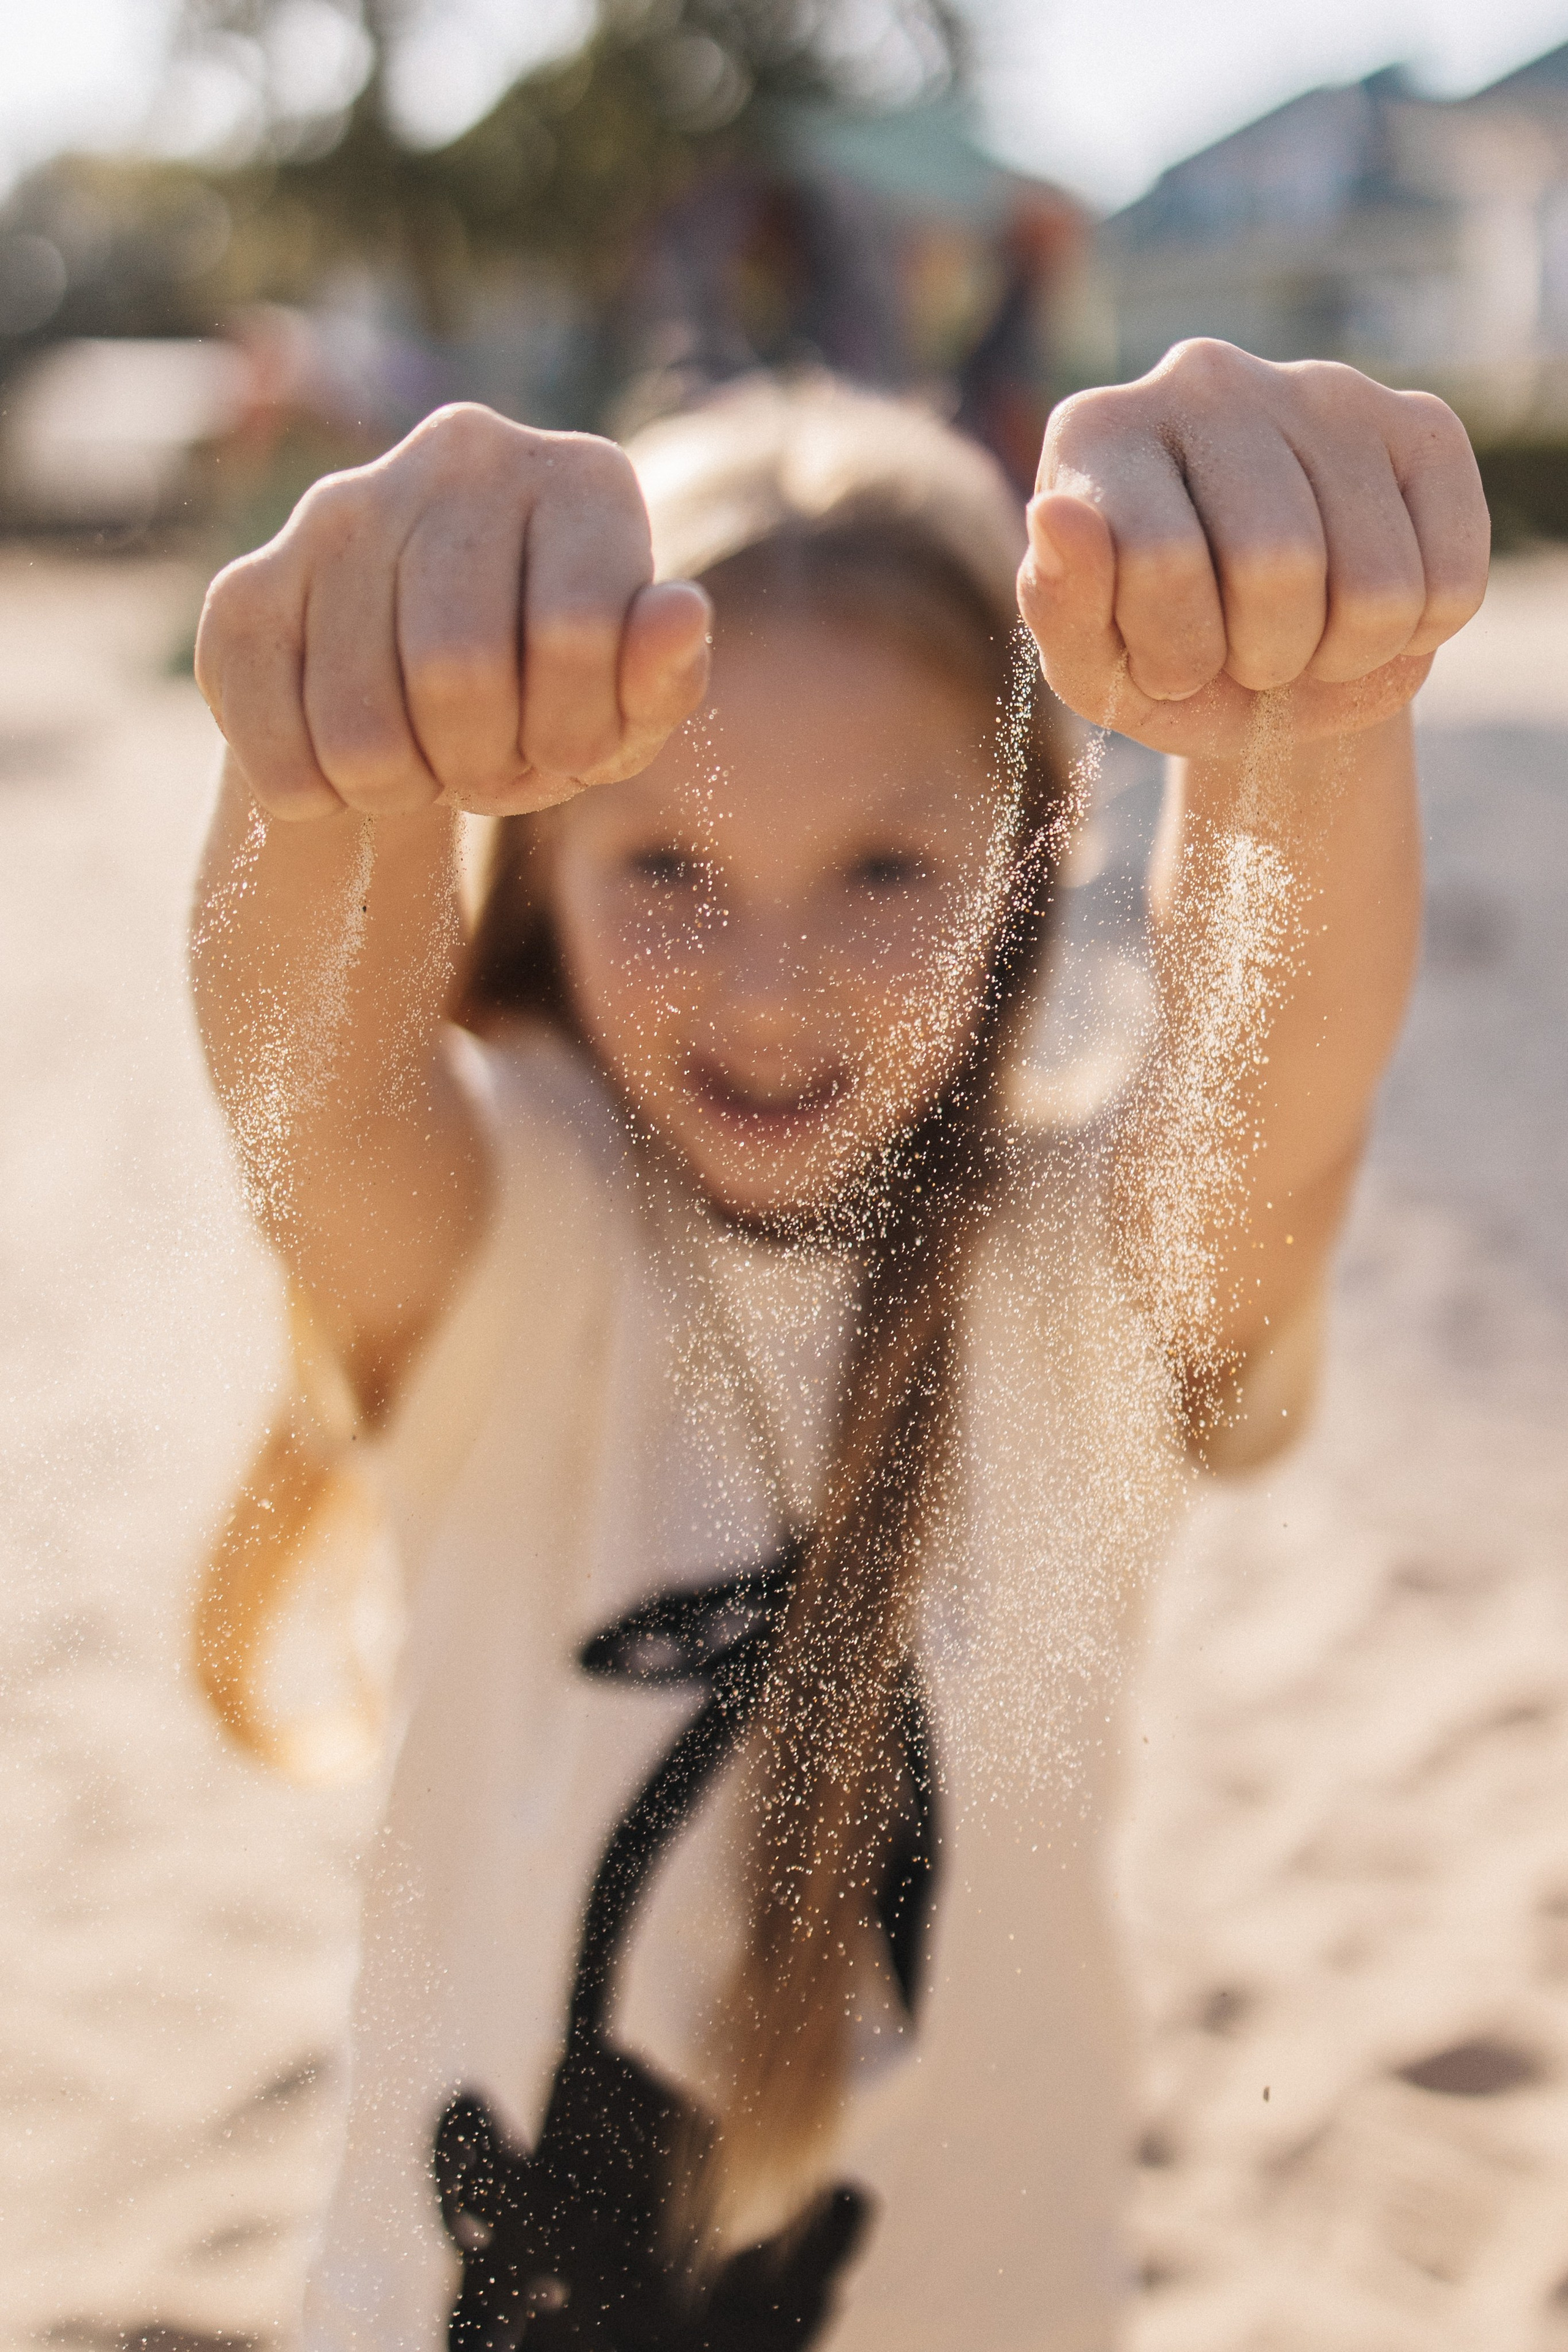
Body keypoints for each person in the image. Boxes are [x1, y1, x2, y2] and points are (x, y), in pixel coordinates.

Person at [187, 349, 1487, 2351]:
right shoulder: (516, 1241)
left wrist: (1303, 720)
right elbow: (308, 1072)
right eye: (669, 867)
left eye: (883, 868)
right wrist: (330, 764)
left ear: (1026, 865)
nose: (771, 988)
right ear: (540, 862)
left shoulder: (1084, 1285)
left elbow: (1281, 1059)